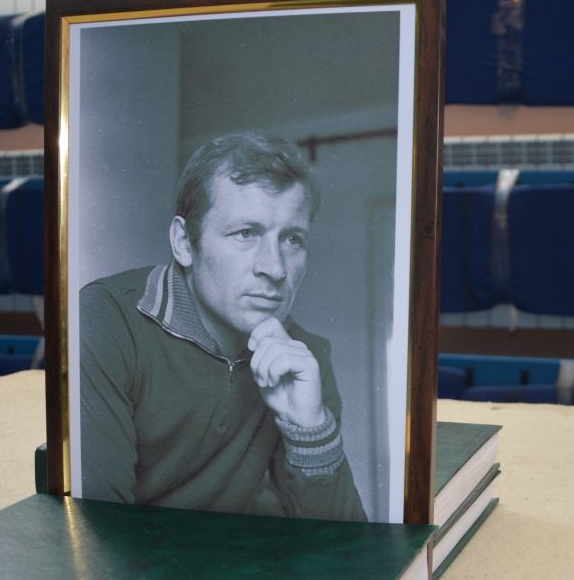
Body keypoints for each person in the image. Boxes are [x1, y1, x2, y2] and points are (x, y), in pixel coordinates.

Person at [80, 131, 367, 522]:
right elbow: (97, 531)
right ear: (184, 242)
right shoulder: (107, 320)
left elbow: (346, 546)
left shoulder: (304, 357)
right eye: (246, 233)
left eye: (292, 239)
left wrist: (310, 430)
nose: (275, 268)